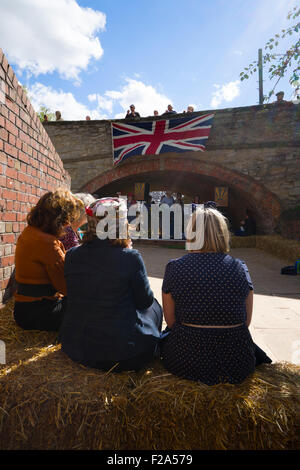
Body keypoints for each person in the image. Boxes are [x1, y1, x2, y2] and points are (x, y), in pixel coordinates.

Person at [160, 204, 271, 385]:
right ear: (223, 233)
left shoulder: (175, 267)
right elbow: (246, 321)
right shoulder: (240, 267)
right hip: (237, 362)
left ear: (191, 233)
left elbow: (171, 322)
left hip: (185, 361)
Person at [60, 197, 163, 372]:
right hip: (122, 354)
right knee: (154, 306)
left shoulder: (71, 255)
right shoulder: (130, 257)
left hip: (77, 348)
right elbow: (144, 302)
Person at [13, 189, 80, 331]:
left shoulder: (29, 232)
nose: (68, 225)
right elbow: (66, 287)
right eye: (67, 219)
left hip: (23, 310)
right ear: (59, 218)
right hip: (40, 312)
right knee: (90, 308)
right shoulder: (48, 243)